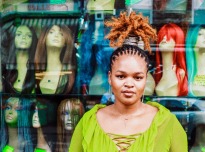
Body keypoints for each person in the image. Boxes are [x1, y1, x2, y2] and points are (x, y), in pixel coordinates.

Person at [69, 11, 188, 152]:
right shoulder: (88, 123)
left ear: (146, 79)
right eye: (121, 76)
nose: (129, 84)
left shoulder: (168, 123)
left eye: (137, 77)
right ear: (110, 77)